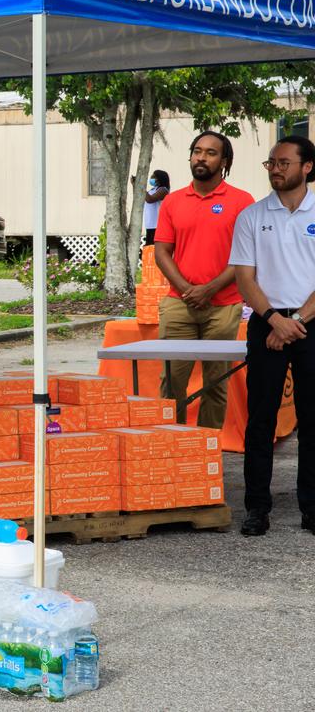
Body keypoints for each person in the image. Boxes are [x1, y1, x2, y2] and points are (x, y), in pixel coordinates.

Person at [229, 135, 315, 538]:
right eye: (271, 163)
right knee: (260, 419)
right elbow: (245, 278)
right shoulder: (251, 216)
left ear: (307, 167)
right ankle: (256, 508)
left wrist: (294, 321)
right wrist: (273, 320)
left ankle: (311, 508)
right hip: (266, 322)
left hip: (310, 321)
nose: (276, 169)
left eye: (283, 162)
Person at [153, 132, 254, 427]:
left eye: (210, 153)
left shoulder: (242, 201)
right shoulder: (172, 201)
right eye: (197, 151)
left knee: (215, 383)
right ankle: (173, 449)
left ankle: (206, 451)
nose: (201, 157)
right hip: (178, 305)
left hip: (223, 306)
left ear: (224, 161)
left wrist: (209, 289)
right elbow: (162, 252)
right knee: (171, 384)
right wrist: (187, 290)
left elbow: (245, 256)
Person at [143, 169, 171, 246]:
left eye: (154, 176)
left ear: (159, 179)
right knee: (149, 249)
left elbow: (150, 199)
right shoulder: (152, 190)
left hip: (157, 225)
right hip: (149, 224)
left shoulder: (163, 190)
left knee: (154, 248)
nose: (151, 178)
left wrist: (141, 186)